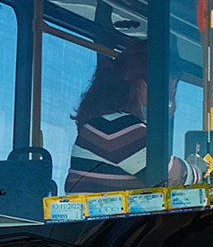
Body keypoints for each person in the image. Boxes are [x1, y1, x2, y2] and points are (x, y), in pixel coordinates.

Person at [65, 48, 188, 194]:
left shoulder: (108, 125)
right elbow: (169, 174)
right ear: (141, 86)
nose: (171, 102)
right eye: (168, 92)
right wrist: (201, 169)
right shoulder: (114, 128)